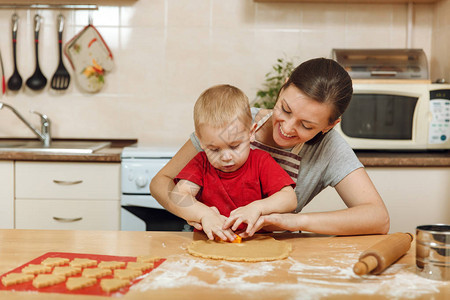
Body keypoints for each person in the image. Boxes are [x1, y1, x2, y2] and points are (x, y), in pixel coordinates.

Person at [150, 57, 390, 237]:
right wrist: (201, 213)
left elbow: (378, 218)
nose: (287, 128)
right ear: (283, 87)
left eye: (306, 125)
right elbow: (163, 183)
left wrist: (294, 222)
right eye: (285, 109)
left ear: (330, 125)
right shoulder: (235, 122)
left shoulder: (330, 149)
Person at [163, 84, 297, 241]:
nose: (226, 157)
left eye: (234, 146)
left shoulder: (261, 161)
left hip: (255, 243)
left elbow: (289, 199)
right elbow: (178, 196)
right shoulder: (201, 163)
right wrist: (204, 214)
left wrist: (257, 208)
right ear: (201, 142)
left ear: (251, 133)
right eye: (214, 149)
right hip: (210, 242)